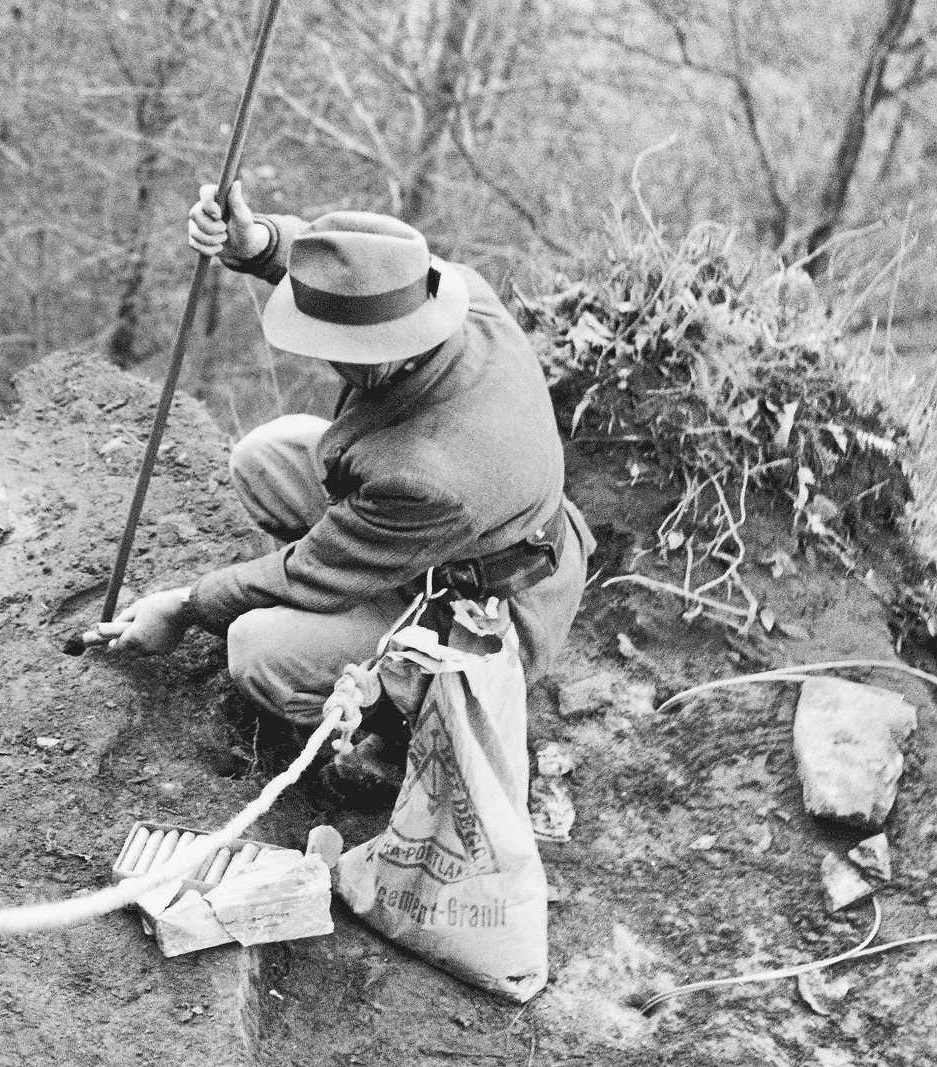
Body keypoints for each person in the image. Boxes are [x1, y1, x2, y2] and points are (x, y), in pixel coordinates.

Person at [82, 182, 592, 753]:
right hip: (438, 532)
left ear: (371, 353)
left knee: (256, 648)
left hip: (479, 609)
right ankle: (364, 594)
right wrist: (257, 243)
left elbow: (310, 571)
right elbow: (359, 273)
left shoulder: (430, 479)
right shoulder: (453, 296)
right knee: (265, 456)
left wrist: (185, 605)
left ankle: (391, 727)